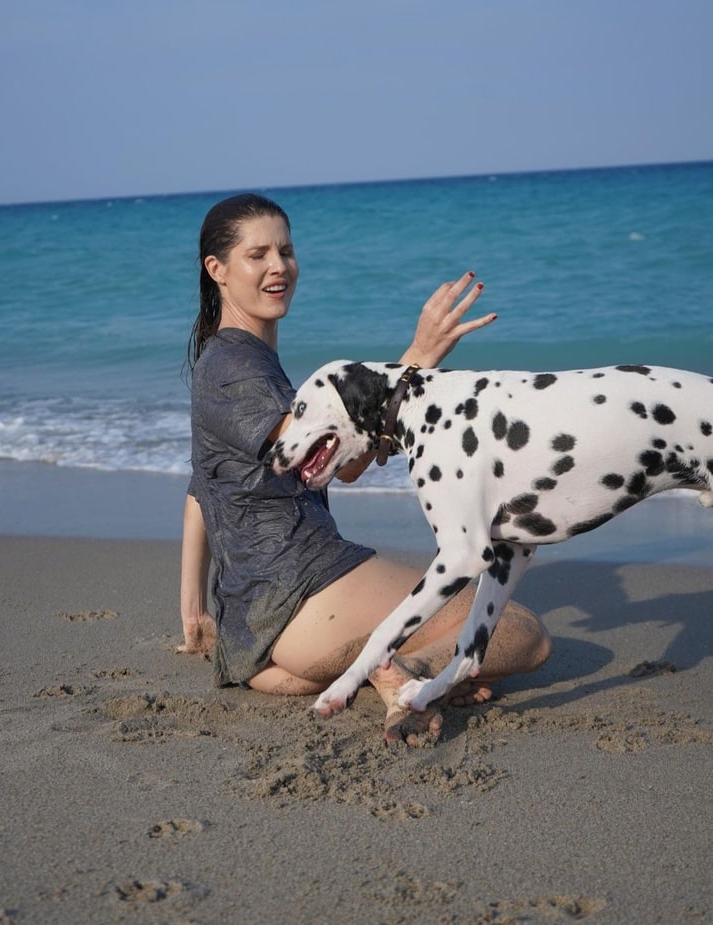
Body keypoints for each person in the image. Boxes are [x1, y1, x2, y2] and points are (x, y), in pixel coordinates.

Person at [179, 193, 551, 746]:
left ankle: (355, 665)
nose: (278, 266)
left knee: (463, 621)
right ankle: (405, 676)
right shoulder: (235, 366)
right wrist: (416, 361)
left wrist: (193, 613)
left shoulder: (228, 359)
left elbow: (204, 485)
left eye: (286, 250)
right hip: (302, 592)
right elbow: (325, 458)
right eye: (257, 255)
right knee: (522, 632)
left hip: (257, 634)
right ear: (218, 270)